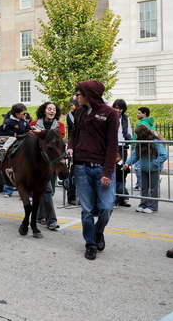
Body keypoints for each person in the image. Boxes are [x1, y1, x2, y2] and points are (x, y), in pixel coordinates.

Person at [68, 80, 119, 261]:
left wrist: (107, 172)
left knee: (106, 208)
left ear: (89, 95)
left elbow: (113, 145)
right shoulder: (79, 112)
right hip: (81, 167)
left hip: (102, 169)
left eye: (79, 94)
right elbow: (73, 134)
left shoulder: (111, 114)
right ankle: (90, 244)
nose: (76, 97)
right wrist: (71, 147)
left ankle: (98, 232)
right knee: (87, 210)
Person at [31, 102, 65, 231]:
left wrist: (41, 133)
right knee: (47, 190)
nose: (52, 111)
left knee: (47, 191)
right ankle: (52, 220)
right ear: (44, 111)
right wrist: (43, 133)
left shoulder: (60, 126)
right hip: (38, 163)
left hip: (53, 163)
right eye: (49, 109)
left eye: (54, 109)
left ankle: (40, 216)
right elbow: (32, 138)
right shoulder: (33, 124)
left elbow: (58, 138)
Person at [124, 124, 167, 214]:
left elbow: (164, 155)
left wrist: (154, 164)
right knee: (144, 188)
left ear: (143, 134)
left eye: (138, 134)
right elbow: (135, 155)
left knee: (153, 188)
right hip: (143, 168)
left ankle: (152, 207)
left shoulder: (155, 141)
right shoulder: (140, 143)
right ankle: (143, 205)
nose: (137, 136)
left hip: (154, 169)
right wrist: (127, 163)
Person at [112, 99, 132, 207]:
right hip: (112, 148)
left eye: (120, 108)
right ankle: (113, 197)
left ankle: (122, 198)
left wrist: (129, 139)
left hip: (122, 147)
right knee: (113, 173)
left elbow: (129, 132)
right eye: (116, 107)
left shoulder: (125, 118)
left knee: (122, 173)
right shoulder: (110, 116)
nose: (118, 110)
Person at [133, 107, 156, 191]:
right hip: (150, 148)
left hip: (140, 147)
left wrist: (133, 144)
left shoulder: (141, 124)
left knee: (138, 167)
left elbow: (136, 137)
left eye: (139, 113)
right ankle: (147, 183)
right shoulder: (151, 123)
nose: (137, 114)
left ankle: (141, 184)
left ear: (144, 114)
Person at [65, 97, 79, 205]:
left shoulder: (83, 113)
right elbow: (76, 127)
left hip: (82, 146)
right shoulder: (70, 115)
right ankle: (71, 196)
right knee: (73, 172)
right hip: (74, 146)